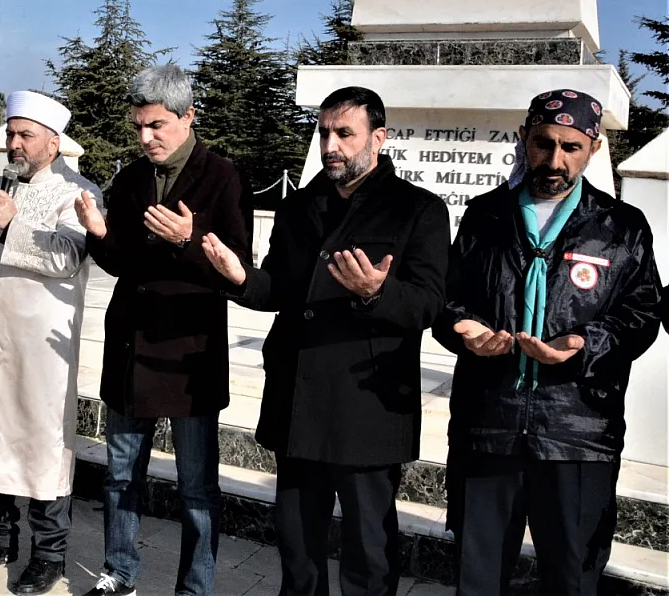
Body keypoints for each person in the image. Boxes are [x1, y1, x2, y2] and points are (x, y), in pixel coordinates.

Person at [203, 86, 450, 596]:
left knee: (368, 547)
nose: (330, 145)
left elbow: (428, 304)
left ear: (377, 139)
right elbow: (279, 287)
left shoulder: (416, 210)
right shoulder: (300, 207)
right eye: (323, 133)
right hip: (298, 398)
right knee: (297, 544)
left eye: (344, 133)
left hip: (368, 405)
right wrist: (239, 278)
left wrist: (377, 293)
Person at [435, 90, 663, 596]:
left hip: (578, 431)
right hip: (488, 425)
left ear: (594, 148)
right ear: (524, 138)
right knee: (478, 576)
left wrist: (585, 343)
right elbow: (447, 299)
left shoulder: (621, 228)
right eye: (543, 143)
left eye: (570, 147)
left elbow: (643, 313)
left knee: (571, 577)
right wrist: (464, 329)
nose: (554, 159)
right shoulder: (485, 217)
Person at [73, 64, 252, 596]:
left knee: (196, 486)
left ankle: (195, 587)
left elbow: (239, 264)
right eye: (138, 127)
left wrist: (190, 239)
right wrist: (100, 234)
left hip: (188, 354)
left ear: (188, 116)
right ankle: (119, 571)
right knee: (121, 473)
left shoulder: (222, 176)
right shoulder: (130, 179)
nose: (146, 137)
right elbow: (123, 261)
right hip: (131, 348)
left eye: (157, 125)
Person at [0, 91, 102, 595]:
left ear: (53, 143)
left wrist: (13, 225)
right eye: (11, 134)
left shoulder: (77, 192)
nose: (14, 144)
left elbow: (67, 259)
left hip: (41, 349)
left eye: (25, 135)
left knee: (41, 445)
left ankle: (49, 553)